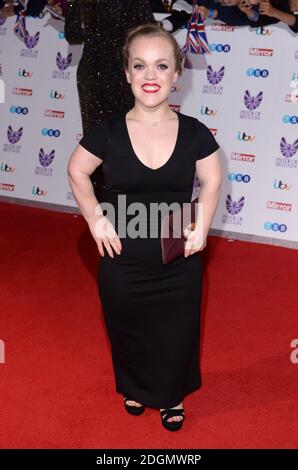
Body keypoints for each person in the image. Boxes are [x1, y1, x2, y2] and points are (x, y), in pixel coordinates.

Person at [67, 23, 221, 431]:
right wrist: (95, 219)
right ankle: (134, 385)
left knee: (177, 327)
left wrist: (202, 224)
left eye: (161, 66)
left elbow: (212, 180)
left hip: (177, 250)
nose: (150, 76)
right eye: (140, 66)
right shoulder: (108, 131)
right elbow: (76, 171)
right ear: (126, 74)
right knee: (127, 324)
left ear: (176, 75)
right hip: (123, 253)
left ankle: (171, 395)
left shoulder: (195, 133)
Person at [64, 0, 154, 197]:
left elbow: (73, 35)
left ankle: (100, 214)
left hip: (92, 73)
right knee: (126, 141)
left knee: (96, 144)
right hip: (122, 73)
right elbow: (149, 31)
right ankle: (124, 211)